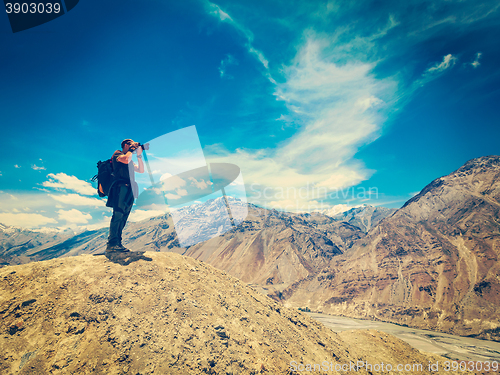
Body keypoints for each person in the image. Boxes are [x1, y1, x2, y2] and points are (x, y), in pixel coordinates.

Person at [106, 139, 144, 252]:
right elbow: (126, 159)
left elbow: (141, 170)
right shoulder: (118, 154)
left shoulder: (130, 159)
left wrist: (139, 156)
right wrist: (131, 150)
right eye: (131, 144)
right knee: (118, 214)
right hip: (120, 187)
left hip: (130, 189)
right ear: (126, 145)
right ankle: (112, 244)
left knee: (124, 216)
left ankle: (118, 243)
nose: (134, 146)